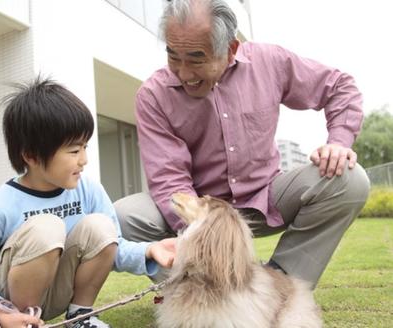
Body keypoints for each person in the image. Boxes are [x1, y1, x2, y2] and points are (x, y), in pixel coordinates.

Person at [114, 0, 370, 288]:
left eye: (197, 59)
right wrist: (210, 234)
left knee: (350, 179)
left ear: (231, 49)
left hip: (266, 196)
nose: (183, 73)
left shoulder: (270, 61)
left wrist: (338, 142)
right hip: (200, 208)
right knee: (125, 217)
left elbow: (339, 87)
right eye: (174, 56)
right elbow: (169, 179)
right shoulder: (153, 96)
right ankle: (205, 292)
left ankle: (282, 285)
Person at [0, 78, 175, 328]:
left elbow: (113, 246)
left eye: (85, 147)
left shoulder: (88, 190)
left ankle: (80, 317)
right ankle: (26, 322)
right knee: (46, 228)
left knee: (100, 225)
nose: (84, 160)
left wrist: (149, 250)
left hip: (60, 289)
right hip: (15, 300)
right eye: (73, 151)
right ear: (32, 156)